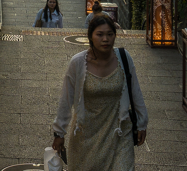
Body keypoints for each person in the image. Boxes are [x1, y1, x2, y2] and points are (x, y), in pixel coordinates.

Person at [52, 14, 148, 170]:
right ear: (90, 36)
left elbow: (136, 91)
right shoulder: (78, 63)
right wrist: (59, 133)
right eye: (100, 34)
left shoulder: (124, 58)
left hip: (118, 132)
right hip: (86, 136)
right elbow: (66, 99)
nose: (106, 39)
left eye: (110, 34)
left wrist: (142, 122)